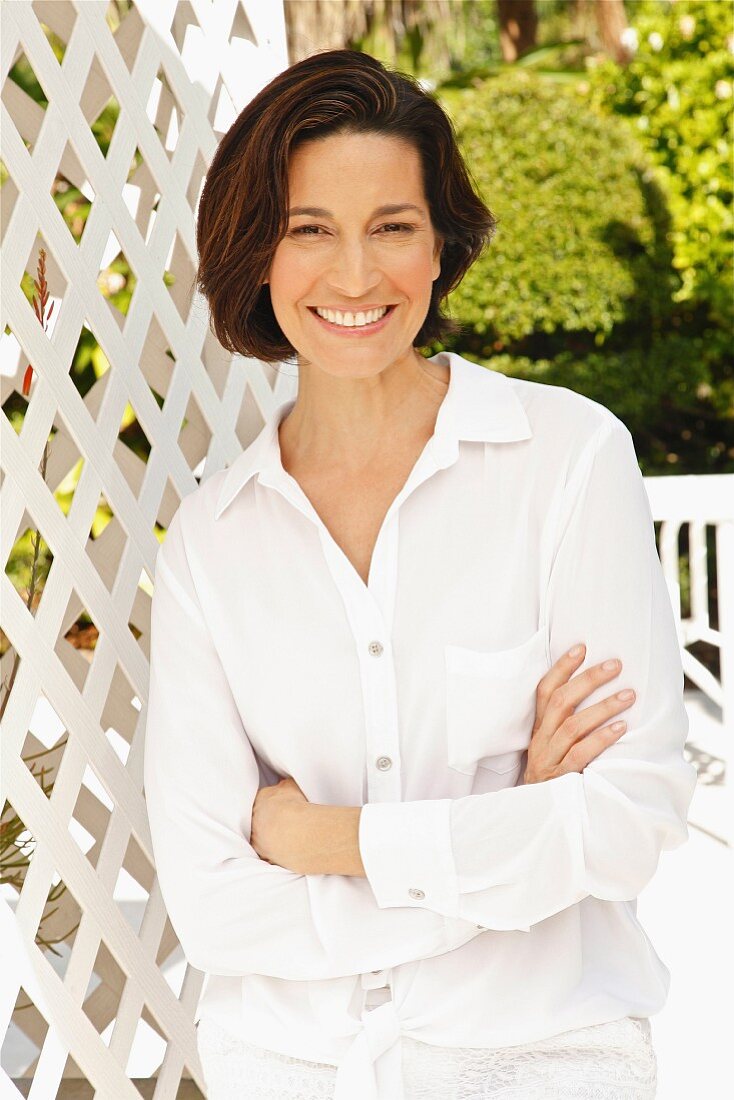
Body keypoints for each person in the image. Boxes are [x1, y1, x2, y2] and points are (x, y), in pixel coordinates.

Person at [143, 47, 697, 1100]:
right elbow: (216, 907)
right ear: (256, 251)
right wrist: (514, 838)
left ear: (441, 243)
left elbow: (627, 824)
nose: (355, 277)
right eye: (311, 229)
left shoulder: (567, 460)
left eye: (390, 226)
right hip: (286, 1063)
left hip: (544, 1054)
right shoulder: (211, 547)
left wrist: (322, 837)